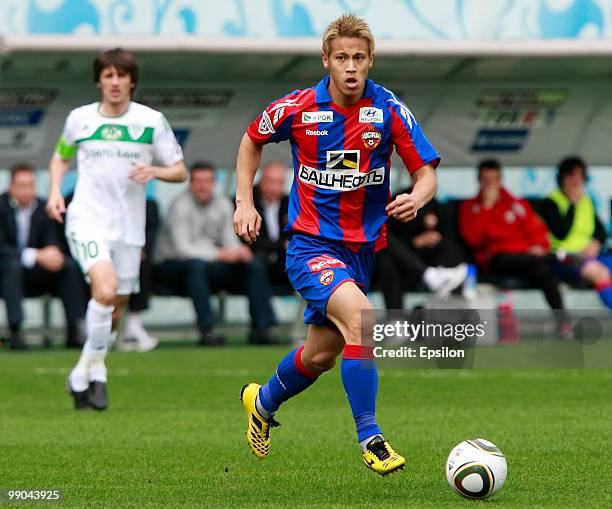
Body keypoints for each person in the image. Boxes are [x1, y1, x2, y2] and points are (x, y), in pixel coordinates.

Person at [234, 14, 439, 475]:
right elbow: (251, 141)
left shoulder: (387, 110)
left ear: (370, 62)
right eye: (342, 57)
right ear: (326, 59)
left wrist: (416, 197)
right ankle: (371, 437)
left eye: (359, 58)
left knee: (321, 356)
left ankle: (262, 403)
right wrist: (244, 202)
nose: (351, 66)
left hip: (361, 252)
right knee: (364, 322)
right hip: (309, 246)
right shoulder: (299, 107)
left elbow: (426, 173)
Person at [46, 48, 187, 410]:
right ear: (99, 81)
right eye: (107, 75)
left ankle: (84, 371)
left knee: (116, 307)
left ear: (131, 81)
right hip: (87, 218)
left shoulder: (152, 122)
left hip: (128, 227)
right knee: (104, 290)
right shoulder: (80, 120)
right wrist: (53, 193)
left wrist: (155, 171)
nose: (114, 82)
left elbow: (179, 169)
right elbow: (62, 156)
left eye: (120, 75)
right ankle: (97, 375)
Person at [154, 162, 279, 346]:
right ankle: (207, 332)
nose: (203, 186)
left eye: (207, 181)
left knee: (251, 263)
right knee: (195, 265)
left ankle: (262, 330)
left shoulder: (223, 204)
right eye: (198, 181)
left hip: (207, 265)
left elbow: (229, 240)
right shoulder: (179, 206)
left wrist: (238, 252)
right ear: (191, 184)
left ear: (214, 182)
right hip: (170, 267)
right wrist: (221, 254)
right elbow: (182, 250)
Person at [458, 159, 571, 335]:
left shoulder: (516, 204)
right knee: (540, 264)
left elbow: (537, 230)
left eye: (494, 179)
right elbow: (473, 239)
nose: (491, 185)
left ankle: (563, 325)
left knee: (542, 271)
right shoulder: (470, 207)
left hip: (528, 260)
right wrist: (487, 207)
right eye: (486, 180)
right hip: (496, 260)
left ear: (500, 180)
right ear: (479, 181)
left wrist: (540, 246)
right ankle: (558, 258)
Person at [0, 163, 87, 350]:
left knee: (69, 266)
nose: (26, 190)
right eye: (21, 185)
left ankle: (75, 329)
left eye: (30, 185)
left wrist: (53, 253)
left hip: (39, 275)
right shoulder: (1, 207)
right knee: (12, 265)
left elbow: (53, 239)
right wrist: (35, 255)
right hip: (6, 275)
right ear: (11, 187)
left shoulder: (44, 207)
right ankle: (16, 332)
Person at [540, 156, 612, 309]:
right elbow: (561, 233)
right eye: (571, 176)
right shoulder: (551, 202)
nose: (576, 181)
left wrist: (595, 244)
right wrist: (572, 205)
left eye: (579, 176)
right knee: (600, 273)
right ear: (562, 178)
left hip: (590, 256)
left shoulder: (586, 201)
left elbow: (601, 232)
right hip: (564, 260)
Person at [376, 189, 467, 309]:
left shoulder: (439, 204)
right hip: (403, 263)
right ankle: (396, 320)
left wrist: (435, 238)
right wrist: (415, 242)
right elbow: (387, 238)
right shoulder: (398, 200)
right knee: (386, 259)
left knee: (451, 251)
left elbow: (451, 236)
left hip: (433, 260)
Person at [251, 161, 291, 291]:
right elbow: (250, 240)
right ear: (261, 181)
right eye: (271, 182)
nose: (275, 188)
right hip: (256, 260)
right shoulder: (249, 203)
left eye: (280, 183)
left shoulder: (290, 204)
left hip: (283, 262)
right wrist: (281, 244)